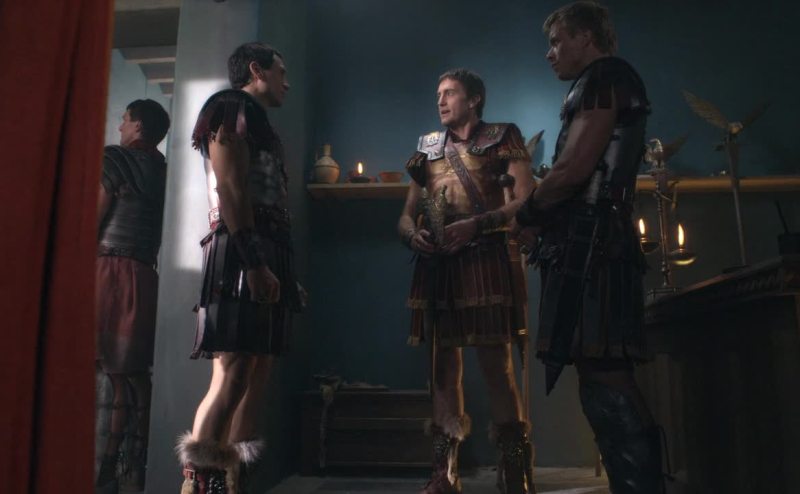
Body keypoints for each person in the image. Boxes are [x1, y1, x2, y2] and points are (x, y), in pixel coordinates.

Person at [516, 2, 664, 492]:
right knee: (597, 370)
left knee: (606, 372)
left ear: (586, 37)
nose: (550, 53)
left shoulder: (606, 76)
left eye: (557, 41)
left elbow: (573, 170)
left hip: (597, 244)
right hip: (586, 242)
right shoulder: (595, 82)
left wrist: (527, 213)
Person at [398, 68, 536, 494]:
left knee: (497, 365)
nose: (440, 100)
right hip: (439, 265)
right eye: (438, 93)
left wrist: (477, 225)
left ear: (474, 99)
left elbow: (525, 200)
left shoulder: (503, 137)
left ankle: (515, 471)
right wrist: (413, 235)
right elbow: (406, 215)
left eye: (450, 93)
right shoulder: (427, 149)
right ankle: (444, 473)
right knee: (442, 368)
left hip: (486, 257)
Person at [176, 42, 304, 494]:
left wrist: (279, 271)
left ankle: (231, 485)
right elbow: (230, 189)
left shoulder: (258, 120)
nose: (287, 82)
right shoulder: (229, 107)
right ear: (256, 70)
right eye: (281, 70)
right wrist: (253, 263)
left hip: (265, 249)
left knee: (253, 376)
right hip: (240, 252)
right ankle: (201, 488)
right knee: (232, 377)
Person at [95, 98, 170, 493]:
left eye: (125, 120)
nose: (120, 126)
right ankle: (130, 466)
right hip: (144, 274)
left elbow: (92, 219)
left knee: (113, 373)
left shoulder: (115, 158)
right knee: (134, 376)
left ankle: (107, 467)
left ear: (138, 126)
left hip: (109, 273)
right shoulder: (164, 170)